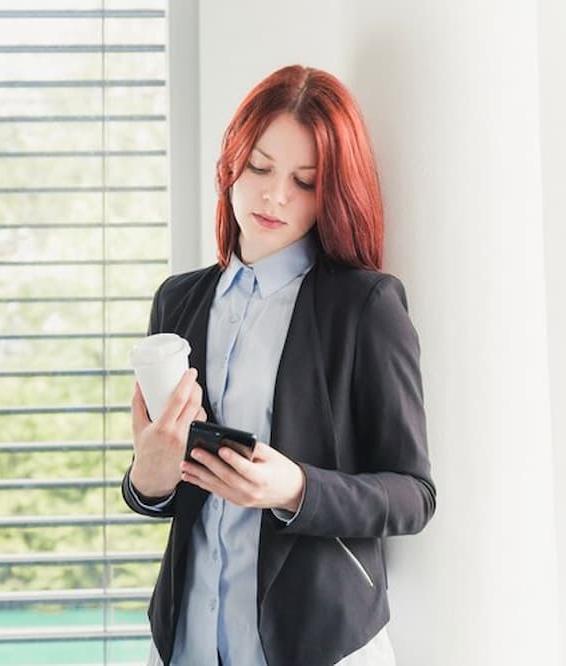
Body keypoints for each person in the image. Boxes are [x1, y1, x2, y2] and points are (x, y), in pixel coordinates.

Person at [121, 65, 437, 666]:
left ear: (332, 191)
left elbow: (413, 495)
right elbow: (161, 492)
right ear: (231, 165)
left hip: (316, 642)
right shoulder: (178, 300)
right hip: (189, 641)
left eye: (304, 181)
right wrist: (149, 475)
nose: (275, 196)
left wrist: (295, 488)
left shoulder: (364, 306)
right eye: (260, 168)